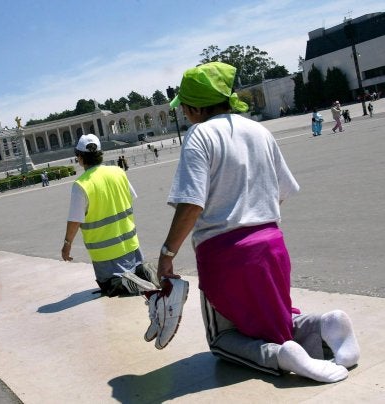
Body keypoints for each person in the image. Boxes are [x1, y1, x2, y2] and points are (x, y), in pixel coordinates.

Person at [149, 62, 359, 383]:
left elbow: (192, 203)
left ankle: (281, 355)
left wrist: (167, 254)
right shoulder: (259, 130)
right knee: (272, 317)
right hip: (271, 246)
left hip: (225, 253)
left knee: (222, 339)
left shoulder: (199, 135)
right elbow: (283, 191)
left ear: (193, 108)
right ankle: (325, 325)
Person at [61, 134, 155, 297]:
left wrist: (67, 243)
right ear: (100, 153)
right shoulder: (118, 172)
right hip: (131, 244)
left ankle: (124, 283)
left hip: (105, 252)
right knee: (137, 267)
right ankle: (143, 273)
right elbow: (131, 197)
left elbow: (75, 220)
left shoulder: (81, 185)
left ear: (80, 158)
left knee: (109, 284)